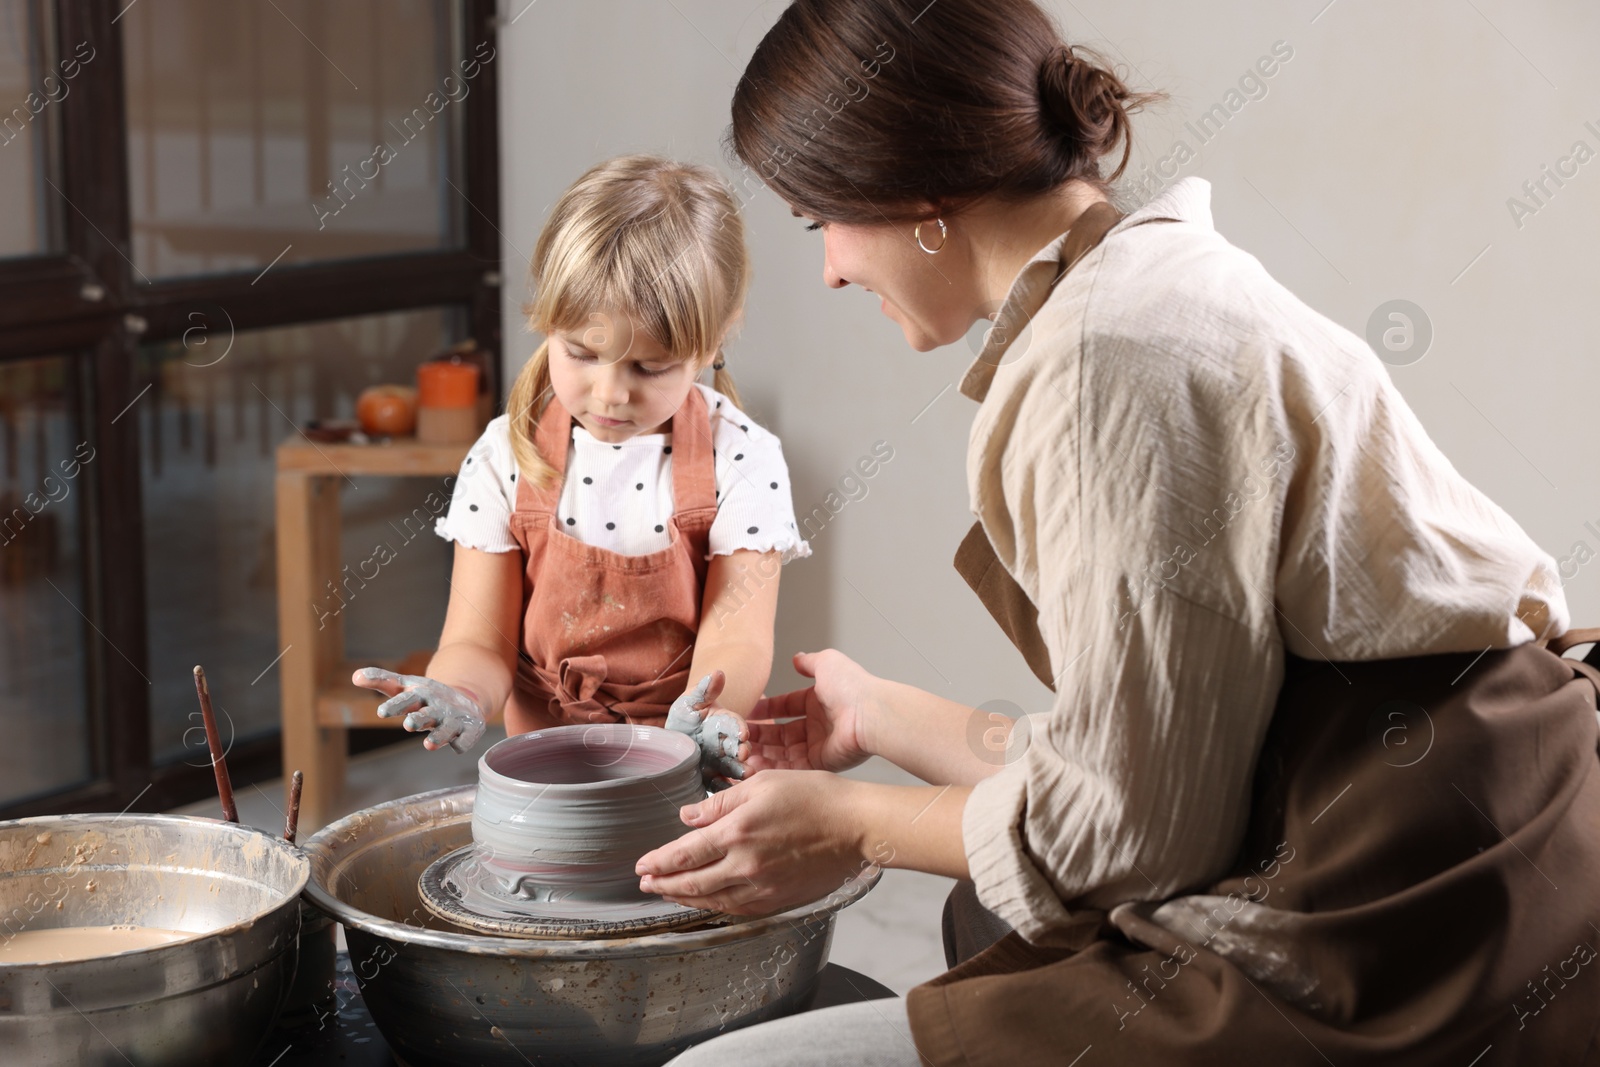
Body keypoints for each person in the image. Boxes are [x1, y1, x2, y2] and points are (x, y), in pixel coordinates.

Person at [644, 1, 1600, 1063]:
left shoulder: (1105, 362)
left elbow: (1127, 834)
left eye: (817, 218)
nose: (827, 267)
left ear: (912, 188)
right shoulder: (1143, 280)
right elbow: (1165, 747)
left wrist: (849, 821)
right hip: (1445, 821)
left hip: (1410, 905)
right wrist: (875, 714)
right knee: (987, 921)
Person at [353, 155, 810, 780]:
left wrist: (705, 718)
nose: (610, 393)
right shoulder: (503, 458)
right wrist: (458, 694)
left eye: (649, 367)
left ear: (714, 341)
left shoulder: (743, 460)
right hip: (545, 781)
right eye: (581, 353)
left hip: (688, 769)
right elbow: (476, 643)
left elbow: (740, 640)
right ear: (547, 322)